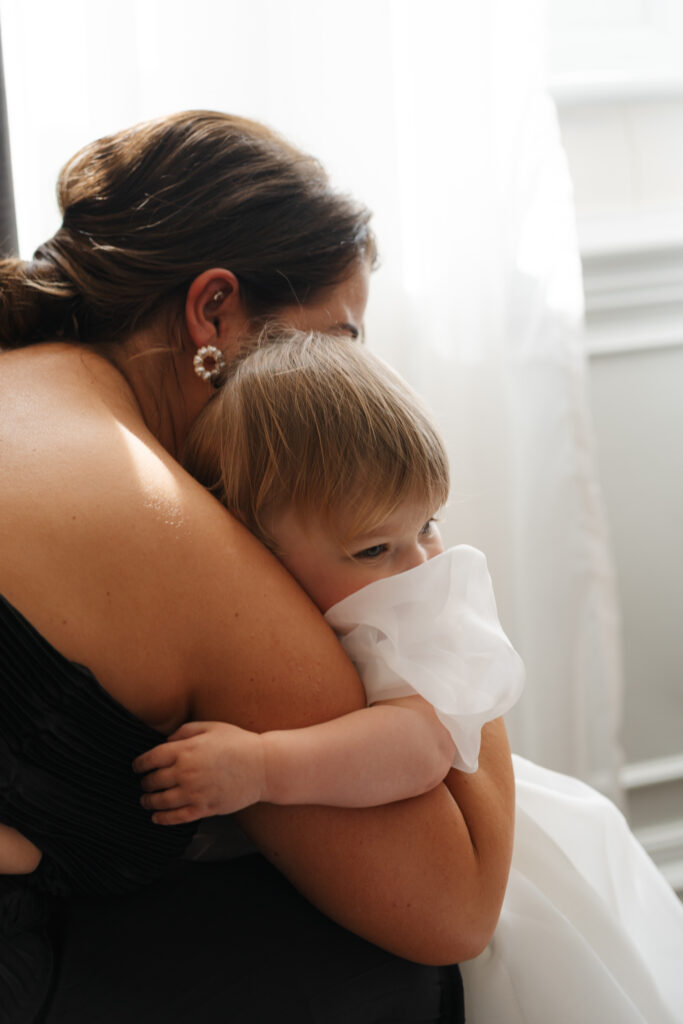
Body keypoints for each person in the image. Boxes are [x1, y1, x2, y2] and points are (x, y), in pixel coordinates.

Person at [0, 110, 515, 1023]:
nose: (342, 388)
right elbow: (457, 904)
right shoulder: (166, 528)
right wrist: (440, 625)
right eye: (332, 345)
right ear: (213, 310)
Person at [136, 330, 683, 1024]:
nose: (421, 564)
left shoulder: (417, 618)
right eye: (374, 547)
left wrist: (265, 767)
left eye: (428, 524)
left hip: (516, 894)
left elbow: (418, 747)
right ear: (252, 545)